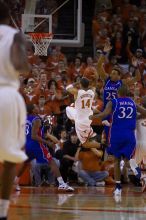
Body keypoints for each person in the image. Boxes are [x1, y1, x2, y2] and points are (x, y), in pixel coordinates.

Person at [0, 1, 30, 219]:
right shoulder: (15, 35)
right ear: (8, 15)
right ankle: (2, 212)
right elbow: (22, 65)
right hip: (7, 96)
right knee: (10, 156)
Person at [90, 84, 141, 196]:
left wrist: (92, 116)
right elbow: (144, 112)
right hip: (129, 134)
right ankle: (133, 165)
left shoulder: (113, 102)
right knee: (128, 159)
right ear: (127, 93)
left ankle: (118, 188)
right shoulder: (133, 103)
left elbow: (104, 114)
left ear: (118, 93)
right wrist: (134, 117)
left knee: (117, 160)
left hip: (117, 134)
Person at [15, 104, 74, 192]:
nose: (38, 107)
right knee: (51, 162)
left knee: (25, 163)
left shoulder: (24, 119)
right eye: (35, 107)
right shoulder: (37, 119)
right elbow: (34, 136)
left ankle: (15, 181)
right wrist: (48, 143)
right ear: (33, 110)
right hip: (36, 145)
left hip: (26, 144)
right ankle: (61, 183)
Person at [66, 77, 101, 149]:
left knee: (85, 144)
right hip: (88, 117)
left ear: (80, 84)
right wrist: (90, 83)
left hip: (81, 121)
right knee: (69, 108)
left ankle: (102, 146)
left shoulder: (77, 92)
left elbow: (67, 88)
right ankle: (90, 133)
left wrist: (75, 83)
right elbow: (93, 86)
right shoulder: (92, 92)